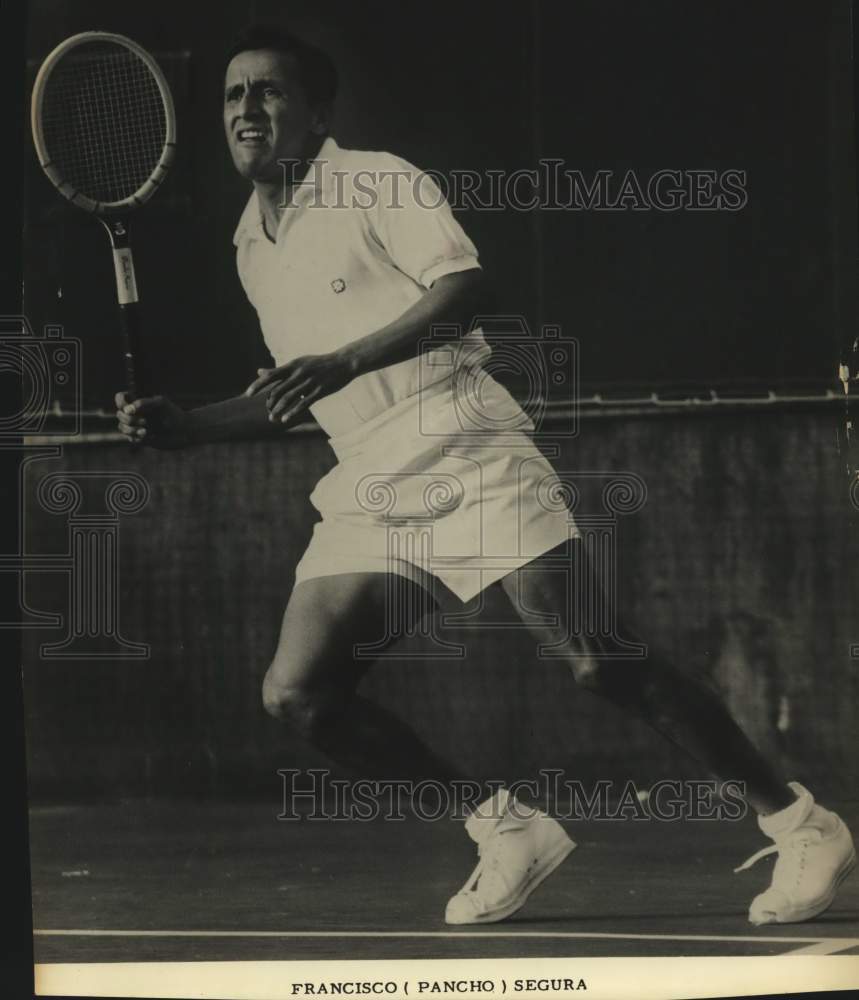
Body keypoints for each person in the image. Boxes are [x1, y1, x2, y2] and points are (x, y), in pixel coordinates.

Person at [115, 23, 855, 927]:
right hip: (371, 477)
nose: (246, 110)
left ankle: (800, 822)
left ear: (316, 112)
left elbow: (464, 288)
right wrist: (186, 426)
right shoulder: (250, 244)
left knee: (597, 661)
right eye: (233, 96)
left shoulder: (375, 179)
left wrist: (345, 360)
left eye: (268, 92)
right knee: (298, 693)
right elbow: (297, 391)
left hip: (463, 441)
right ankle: (504, 830)